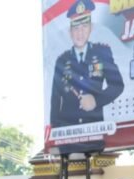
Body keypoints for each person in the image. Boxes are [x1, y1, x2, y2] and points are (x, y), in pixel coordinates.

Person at [50, 0, 124, 128]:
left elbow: (117, 85)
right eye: (76, 28)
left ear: (91, 28)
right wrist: (55, 130)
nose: (80, 32)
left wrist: (96, 101)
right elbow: (55, 99)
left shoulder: (102, 53)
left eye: (84, 26)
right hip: (68, 131)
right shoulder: (62, 60)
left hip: (94, 130)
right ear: (70, 32)